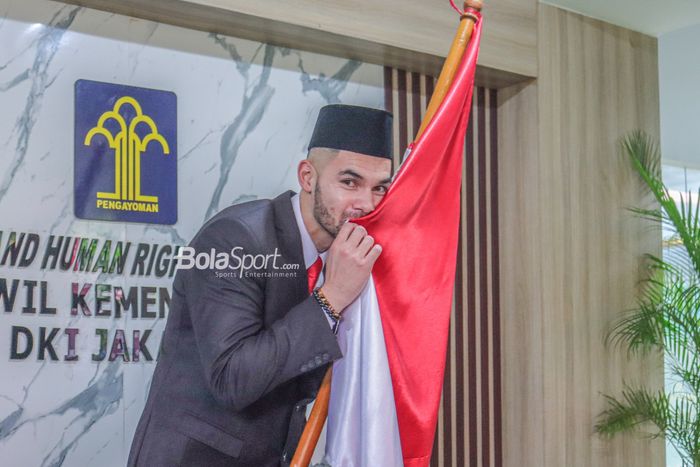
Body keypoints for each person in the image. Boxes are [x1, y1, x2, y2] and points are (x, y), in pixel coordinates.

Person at [127, 104, 394, 466]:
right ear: (307, 177)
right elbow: (232, 378)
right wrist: (331, 298)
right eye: (350, 182)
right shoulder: (235, 238)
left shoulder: (337, 258)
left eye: (380, 188)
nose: (366, 204)